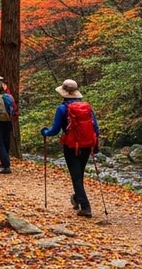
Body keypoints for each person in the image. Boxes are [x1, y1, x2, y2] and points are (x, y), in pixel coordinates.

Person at [41, 78, 100, 217]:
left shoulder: (62, 108)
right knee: (79, 174)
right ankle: (77, 198)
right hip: (86, 145)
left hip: (71, 146)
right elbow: (95, 128)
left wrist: (45, 132)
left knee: (76, 176)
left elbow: (55, 130)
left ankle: (85, 207)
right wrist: (95, 144)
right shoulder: (87, 108)